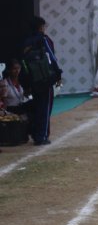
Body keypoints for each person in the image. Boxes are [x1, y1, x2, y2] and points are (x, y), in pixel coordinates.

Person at [21, 16, 62, 146]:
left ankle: (36, 132)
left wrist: (26, 83)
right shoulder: (44, 39)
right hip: (45, 78)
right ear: (40, 27)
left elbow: (24, 63)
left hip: (33, 79)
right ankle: (41, 136)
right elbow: (52, 57)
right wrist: (58, 73)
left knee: (37, 107)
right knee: (45, 109)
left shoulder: (26, 41)